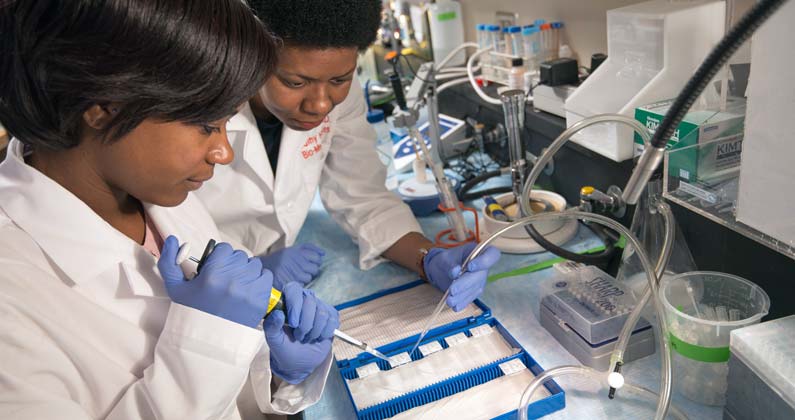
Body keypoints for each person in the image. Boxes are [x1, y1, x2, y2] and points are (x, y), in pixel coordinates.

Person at [0, 1, 338, 418]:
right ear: (104, 106)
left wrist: (277, 371)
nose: (224, 151)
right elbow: (206, 355)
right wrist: (209, 340)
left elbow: (230, 390)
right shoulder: (12, 296)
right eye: (204, 125)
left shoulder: (161, 199)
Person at [196, 0, 501, 312]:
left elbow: (363, 195)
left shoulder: (337, 90)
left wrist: (428, 257)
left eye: (339, 80)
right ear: (251, 55)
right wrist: (245, 271)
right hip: (200, 278)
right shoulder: (198, 100)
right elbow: (164, 222)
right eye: (295, 82)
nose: (320, 104)